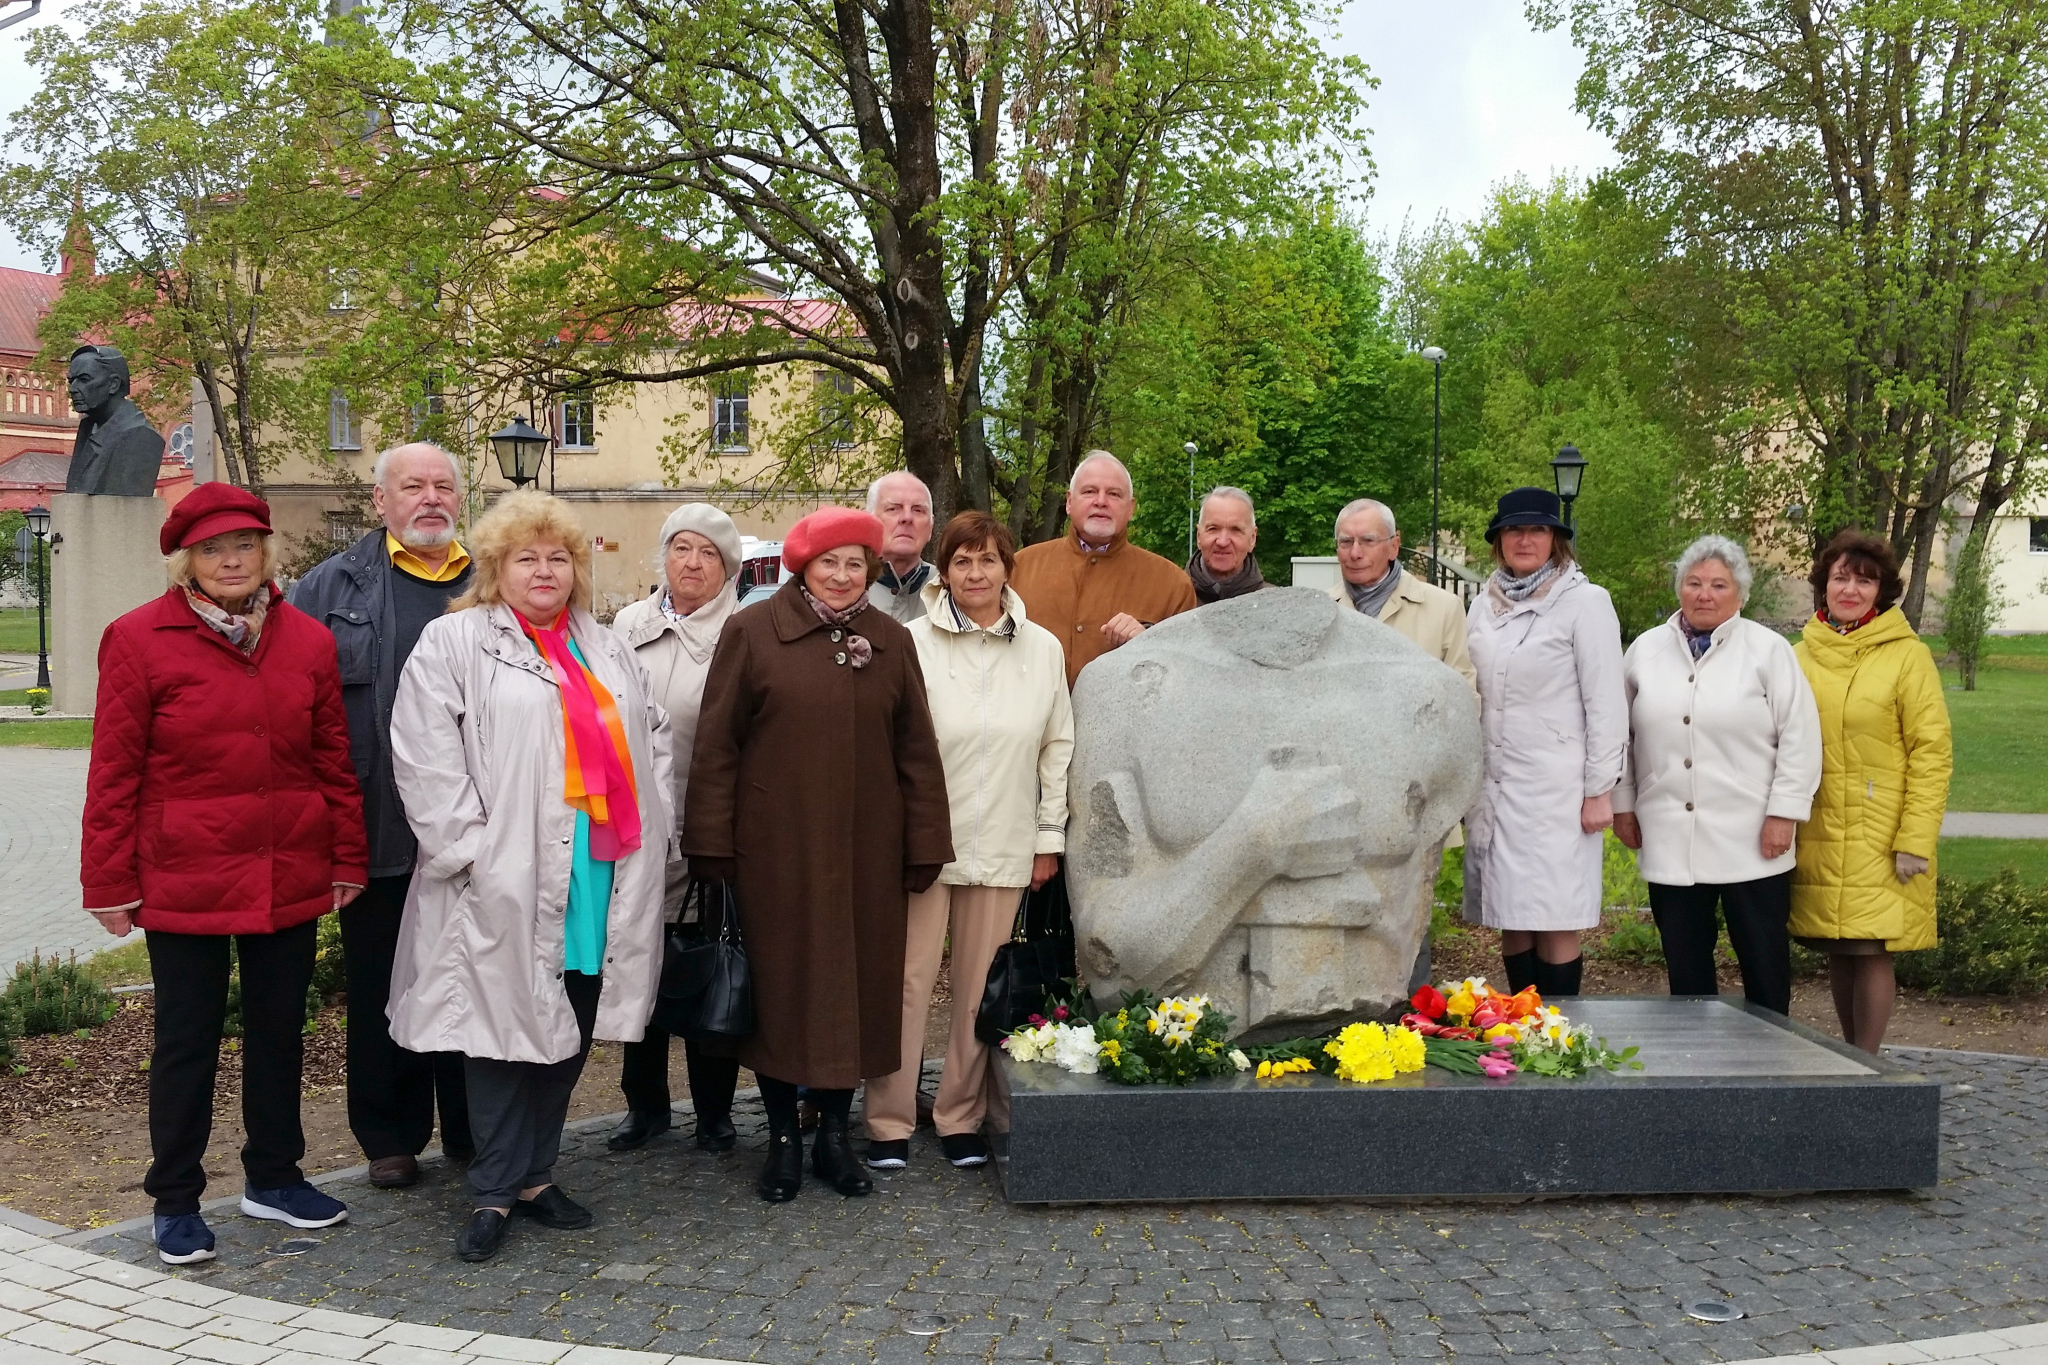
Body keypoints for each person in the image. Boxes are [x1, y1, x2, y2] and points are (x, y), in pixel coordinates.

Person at [80, 482, 366, 1265]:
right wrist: (107, 881)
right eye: (212, 549)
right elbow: (113, 770)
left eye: (243, 544)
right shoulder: (138, 639)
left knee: (280, 1031)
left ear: (266, 551)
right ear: (187, 562)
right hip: (183, 874)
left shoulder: (307, 640)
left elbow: (332, 761)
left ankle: (273, 1178)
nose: (231, 559)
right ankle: (175, 1198)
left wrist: (346, 855)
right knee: (186, 1039)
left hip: (288, 868)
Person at [388, 491, 672, 1262]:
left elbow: (654, 739)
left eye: (558, 557)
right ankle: (492, 1185)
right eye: (526, 557)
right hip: (506, 871)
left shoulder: (605, 645)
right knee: (498, 1030)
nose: (543, 571)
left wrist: (659, 824)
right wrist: (469, 851)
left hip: (596, 865)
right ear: (496, 567)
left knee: (569, 1018)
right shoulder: (454, 642)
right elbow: (422, 754)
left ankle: (536, 1175)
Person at [684, 506, 953, 1202]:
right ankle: (781, 1139)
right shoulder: (752, 631)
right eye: (828, 562)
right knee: (785, 994)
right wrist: (710, 841)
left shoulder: (890, 640)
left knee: (855, 995)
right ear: (803, 566)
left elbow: (917, 752)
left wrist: (925, 843)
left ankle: (835, 1136)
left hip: (868, 854)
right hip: (776, 853)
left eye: (855, 563)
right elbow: (717, 746)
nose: (841, 575)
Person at [289, 442, 475, 1188]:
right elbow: (299, 710)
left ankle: (473, 1128)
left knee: (476, 978)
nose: (430, 498)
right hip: (377, 823)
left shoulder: (496, 577)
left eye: (442, 486)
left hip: (479, 828)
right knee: (383, 985)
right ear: (380, 501)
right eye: (413, 486)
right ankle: (390, 1135)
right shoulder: (329, 588)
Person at [866, 511, 1073, 1172]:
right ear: (944, 570)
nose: (975, 573)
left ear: (1007, 568)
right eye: (962, 561)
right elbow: (890, 745)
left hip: (1009, 839)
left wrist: (1047, 838)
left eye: (988, 560)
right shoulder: (911, 642)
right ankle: (890, 1118)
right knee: (907, 980)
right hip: (925, 844)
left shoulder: (1042, 648)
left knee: (982, 986)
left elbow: (1056, 749)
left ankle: (959, 1114)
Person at [1612, 536, 1821, 1014]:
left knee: (1763, 964)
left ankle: (1769, 1065)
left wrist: (1783, 814)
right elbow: (1620, 736)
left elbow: (1800, 738)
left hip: (1751, 836)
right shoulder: (1645, 650)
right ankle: (1695, 1070)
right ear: (1680, 589)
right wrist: (1623, 804)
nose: (1705, 594)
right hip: (1669, 834)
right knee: (1685, 969)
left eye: (1719, 585)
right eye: (1695, 583)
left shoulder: (1769, 651)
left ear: (1741, 595)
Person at [604, 503, 745, 1154]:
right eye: (680, 548)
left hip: (712, 829)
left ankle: (714, 1110)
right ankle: (645, 1105)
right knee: (639, 966)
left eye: (707, 553)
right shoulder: (627, 624)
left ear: (728, 566)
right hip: (633, 830)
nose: (691, 563)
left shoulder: (744, 630)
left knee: (709, 961)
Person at [1790, 529, 1951, 1052]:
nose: (1851, 589)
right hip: (1816, 824)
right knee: (1839, 945)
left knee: (1872, 946)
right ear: (1824, 584)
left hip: (1882, 831)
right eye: (1842, 577)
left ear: (1881, 592)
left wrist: (1915, 839)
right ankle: (1847, 1055)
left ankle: (1869, 1063)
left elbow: (1932, 752)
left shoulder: (1908, 657)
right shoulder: (1799, 655)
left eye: (1865, 580)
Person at [1462, 487, 1627, 997]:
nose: (1525, 539)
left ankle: (1557, 1029)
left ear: (1556, 538)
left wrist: (1600, 789)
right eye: (1514, 530)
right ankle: (1521, 1022)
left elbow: (1607, 702)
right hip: (1498, 783)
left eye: (1536, 530)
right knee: (1511, 912)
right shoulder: (1482, 606)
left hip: (1558, 789)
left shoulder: (1585, 602)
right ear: (1499, 541)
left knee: (1555, 914)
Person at [1011, 451, 1198, 687]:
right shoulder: (1019, 569)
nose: (1101, 501)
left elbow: (1184, 681)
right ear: (1069, 502)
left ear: (1131, 508)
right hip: (1033, 722)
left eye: (1114, 494)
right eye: (1089, 491)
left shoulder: (1172, 585)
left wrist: (1146, 645)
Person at [1325, 498, 1476, 687]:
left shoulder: (1444, 609)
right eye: (1346, 541)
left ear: (1394, 547)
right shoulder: (1321, 610)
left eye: (1368, 541)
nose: (1355, 553)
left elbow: (1463, 698)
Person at [866, 471, 937, 622]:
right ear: (869, 521)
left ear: (931, 528)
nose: (907, 518)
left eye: (918, 510)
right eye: (893, 508)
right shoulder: (843, 586)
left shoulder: (948, 589)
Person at [1186, 487, 1269, 603]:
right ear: (1198, 536)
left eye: (1235, 530)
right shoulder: (1170, 600)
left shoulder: (1273, 603)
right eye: (1213, 529)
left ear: (1252, 538)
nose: (1222, 542)